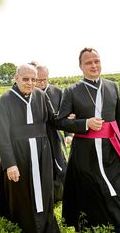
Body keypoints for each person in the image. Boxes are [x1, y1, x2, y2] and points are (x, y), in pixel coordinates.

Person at [56, 48, 120, 232]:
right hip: (85, 153)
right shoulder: (71, 91)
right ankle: (95, 226)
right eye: (88, 62)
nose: (94, 65)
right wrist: (84, 123)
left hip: (112, 148)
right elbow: (60, 122)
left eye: (96, 61)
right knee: (91, 190)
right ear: (81, 66)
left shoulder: (111, 86)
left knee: (117, 187)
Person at [0, 64, 59, 233]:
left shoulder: (40, 95)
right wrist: (10, 163)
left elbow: (54, 120)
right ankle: (26, 226)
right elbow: (2, 136)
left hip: (42, 152)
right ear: (16, 78)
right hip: (19, 154)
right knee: (22, 194)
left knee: (44, 189)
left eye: (33, 79)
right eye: (26, 79)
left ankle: (46, 224)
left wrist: (77, 122)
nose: (30, 83)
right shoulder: (5, 100)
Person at [34, 64, 72, 202]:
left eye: (45, 79)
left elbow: (64, 116)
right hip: (38, 137)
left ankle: (61, 195)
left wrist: (68, 134)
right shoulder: (30, 95)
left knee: (60, 163)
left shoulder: (57, 92)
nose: (42, 83)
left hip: (55, 135)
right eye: (39, 80)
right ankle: (46, 196)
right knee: (43, 166)